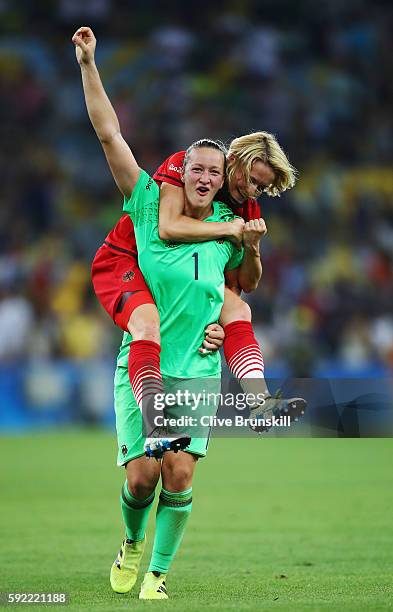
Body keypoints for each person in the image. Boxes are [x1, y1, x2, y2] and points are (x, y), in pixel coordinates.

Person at [73, 26, 254, 600]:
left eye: (214, 173)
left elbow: (241, 291)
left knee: (179, 474)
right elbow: (109, 134)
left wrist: (246, 253)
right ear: (181, 172)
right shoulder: (149, 203)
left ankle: (158, 573)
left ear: (222, 181)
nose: (204, 178)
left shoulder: (224, 232)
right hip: (143, 364)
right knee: (142, 478)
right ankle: (130, 543)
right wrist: (88, 63)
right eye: (196, 168)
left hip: (194, 369)